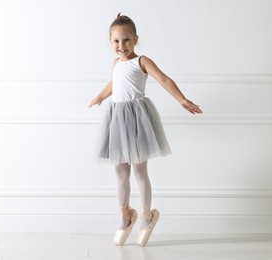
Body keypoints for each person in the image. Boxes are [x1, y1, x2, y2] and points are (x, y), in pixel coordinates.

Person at [88, 14, 202, 247]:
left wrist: (182, 99)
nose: (122, 46)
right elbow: (114, 83)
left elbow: (164, 79)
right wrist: (100, 96)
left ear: (136, 39)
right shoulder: (115, 63)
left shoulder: (142, 61)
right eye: (116, 41)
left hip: (137, 119)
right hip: (117, 119)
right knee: (120, 171)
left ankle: (147, 214)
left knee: (139, 171)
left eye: (126, 40)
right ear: (110, 42)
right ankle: (124, 214)